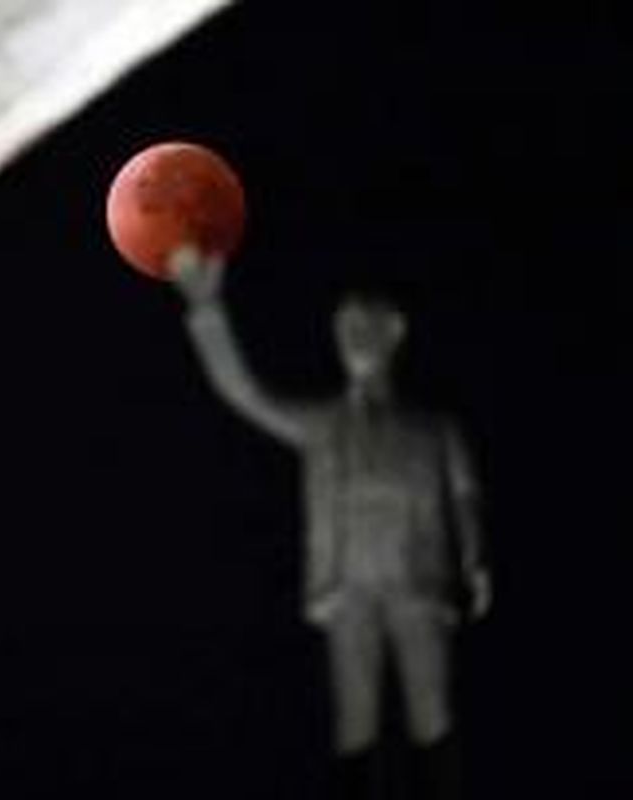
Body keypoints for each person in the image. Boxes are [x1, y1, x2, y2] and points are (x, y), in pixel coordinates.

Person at [168, 246, 491, 798]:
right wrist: (207, 310)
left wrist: (476, 558)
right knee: (356, 728)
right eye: (346, 328)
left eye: (367, 327)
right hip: (349, 589)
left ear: (393, 336)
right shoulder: (322, 425)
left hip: (418, 583)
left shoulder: (434, 429)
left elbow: (465, 495)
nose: (355, 338)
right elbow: (244, 392)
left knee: (433, 718)